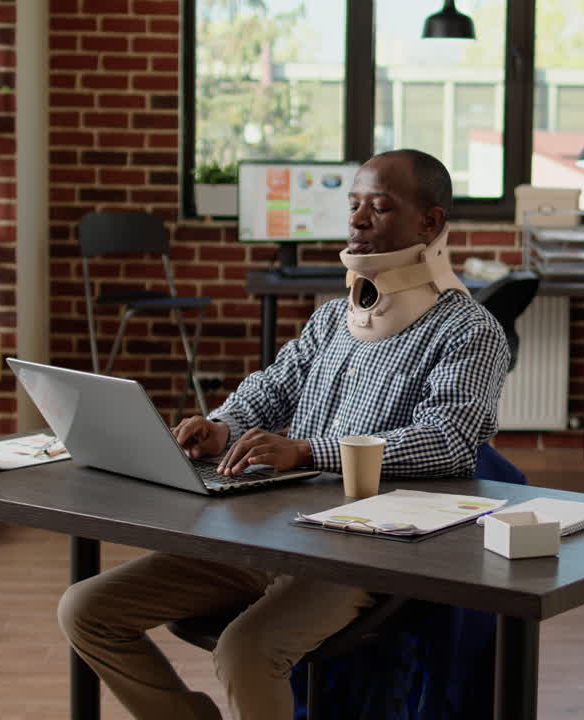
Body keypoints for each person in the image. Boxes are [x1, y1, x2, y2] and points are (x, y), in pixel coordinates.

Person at [57, 149, 510, 720]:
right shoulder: (332, 318)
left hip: (370, 551)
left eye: (379, 207)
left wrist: (307, 451)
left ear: (429, 223)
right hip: (280, 532)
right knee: (85, 609)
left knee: (245, 652)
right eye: (354, 204)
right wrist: (221, 427)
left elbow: (449, 442)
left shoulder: (469, 330)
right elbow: (270, 389)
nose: (358, 219)